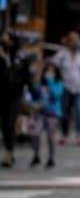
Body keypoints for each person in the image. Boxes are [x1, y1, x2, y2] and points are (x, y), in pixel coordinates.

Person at [52, 31, 80, 146]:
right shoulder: (61, 54)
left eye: (76, 40)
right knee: (64, 112)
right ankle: (64, 134)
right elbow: (52, 66)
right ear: (68, 42)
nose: (75, 43)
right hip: (66, 87)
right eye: (72, 40)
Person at [25, 62, 64, 168]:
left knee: (50, 137)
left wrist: (50, 81)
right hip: (40, 113)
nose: (49, 73)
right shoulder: (40, 84)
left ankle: (51, 158)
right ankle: (36, 155)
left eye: (52, 71)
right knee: (35, 134)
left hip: (53, 114)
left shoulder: (58, 83)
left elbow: (57, 95)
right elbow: (32, 96)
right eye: (47, 71)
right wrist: (33, 104)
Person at [0, 32, 30, 167]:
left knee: (9, 124)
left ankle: (9, 153)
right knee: (4, 125)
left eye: (6, 40)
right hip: (2, 94)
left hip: (15, 95)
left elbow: (24, 77)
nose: (3, 42)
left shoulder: (20, 57)